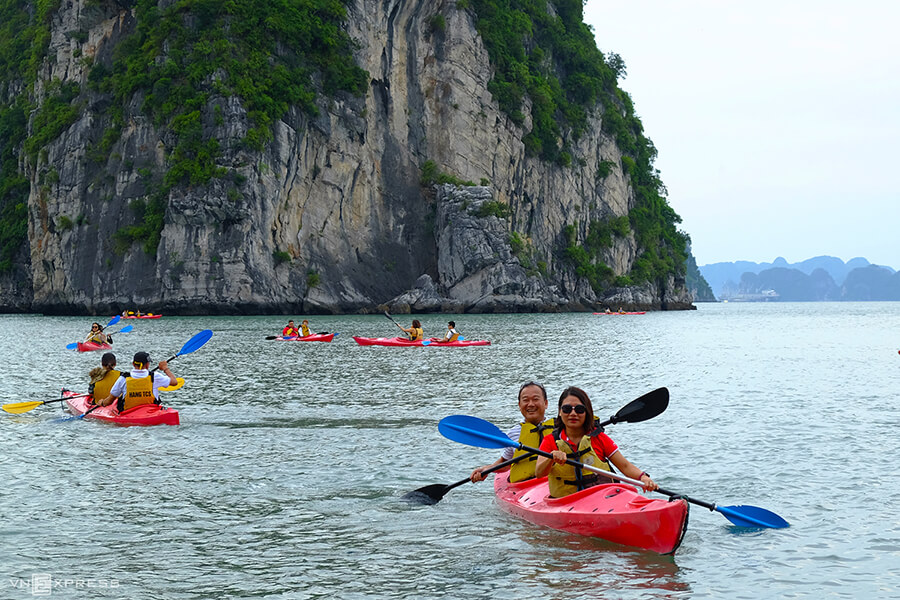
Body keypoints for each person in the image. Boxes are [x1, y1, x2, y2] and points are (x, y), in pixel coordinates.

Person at [535, 386, 658, 498]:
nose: (573, 414)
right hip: (564, 502)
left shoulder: (598, 438)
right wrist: (551, 458)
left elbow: (625, 466)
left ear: (587, 412)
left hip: (599, 500)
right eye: (567, 409)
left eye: (579, 409)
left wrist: (643, 477)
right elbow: (539, 473)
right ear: (560, 412)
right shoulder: (550, 440)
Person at [470, 382, 556, 483]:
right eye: (525, 400)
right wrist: (487, 469)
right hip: (525, 486)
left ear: (546, 403)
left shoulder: (558, 429)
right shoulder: (513, 434)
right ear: (520, 405)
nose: (531, 404)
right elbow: (506, 463)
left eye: (535, 399)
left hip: (553, 482)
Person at [96, 351, 176, 413]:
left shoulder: (123, 378)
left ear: (133, 364)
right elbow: (174, 382)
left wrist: (102, 402)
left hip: (129, 413)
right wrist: (165, 368)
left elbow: (109, 401)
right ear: (147, 365)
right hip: (152, 411)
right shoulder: (155, 376)